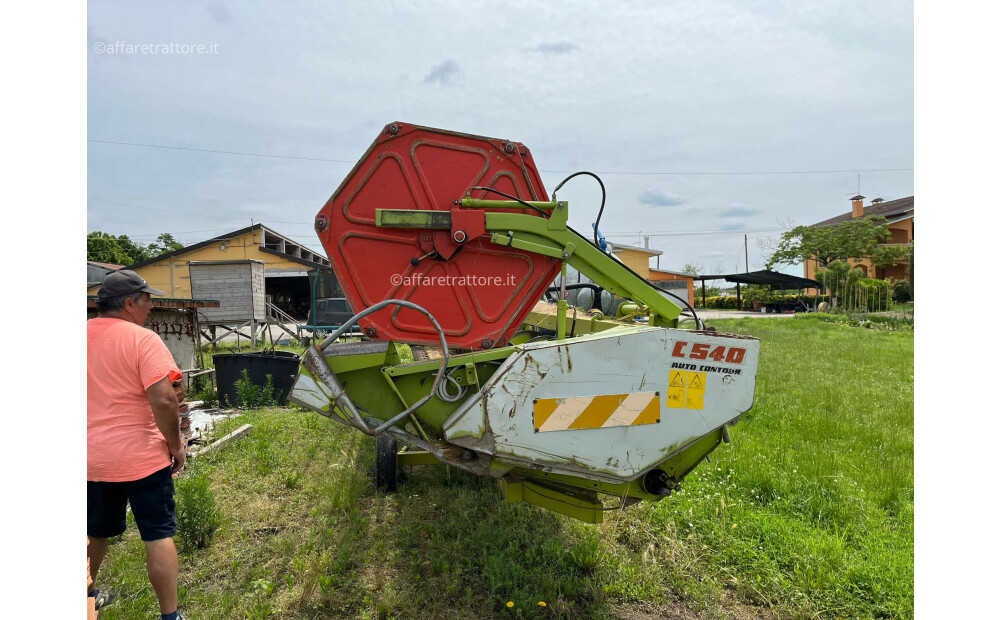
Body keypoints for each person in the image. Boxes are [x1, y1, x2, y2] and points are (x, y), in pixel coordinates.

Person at [87, 270, 187, 620]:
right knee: (157, 534)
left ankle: (84, 596)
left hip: (88, 460)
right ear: (129, 303)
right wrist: (176, 445)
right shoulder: (143, 339)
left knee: (92, 531)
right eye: (146, 300)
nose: (151, 306)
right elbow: (164, 400)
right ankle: (170, 616)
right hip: (140, 458)